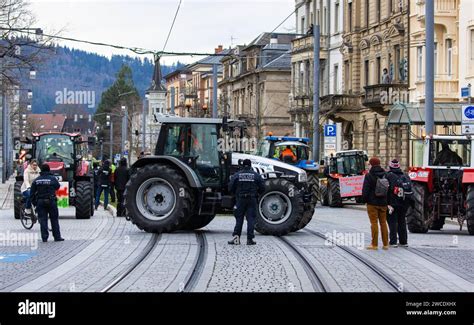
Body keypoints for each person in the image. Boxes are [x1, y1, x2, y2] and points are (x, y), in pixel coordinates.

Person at [228, 159, 265, 245]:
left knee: (239, 219)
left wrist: (236, 194)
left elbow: (230, 187)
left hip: (240, 199)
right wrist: (256, 194)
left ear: (242, 165)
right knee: (251, 219)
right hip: (252, 199)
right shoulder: (256, 175)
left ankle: (236, 239)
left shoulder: (237, 175)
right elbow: (263, 188)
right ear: (250, 165)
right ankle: (250, 239)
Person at [30, 164, 64, 242]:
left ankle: (44, 237)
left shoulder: (37, 180)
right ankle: (57, 237)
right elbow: (57, 187)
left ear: (41, 170)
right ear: (49, 170)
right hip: (51, 201)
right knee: (54, 219)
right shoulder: (52, 179)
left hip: (40, 202)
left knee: (43, 220)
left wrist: (35, 203)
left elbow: (32, 194)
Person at [361, 157, 389, 250]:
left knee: (374, 223)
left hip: (372, 203)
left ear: (371, 164)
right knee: (383, 223)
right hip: (384, 203)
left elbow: (366, 190)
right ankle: (385, 244)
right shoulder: (385, 174)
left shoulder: (369, 175)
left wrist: (363, 200)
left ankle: (374, 244)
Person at [386, 159, 411, 248]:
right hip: (404, 203)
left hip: (393, 203)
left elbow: (387, 191)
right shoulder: (405, 176)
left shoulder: (388, 176)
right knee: (402, 221)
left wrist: (387, 203)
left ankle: (393, 242)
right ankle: (404, 242)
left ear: (390, 166)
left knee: (392, 222)